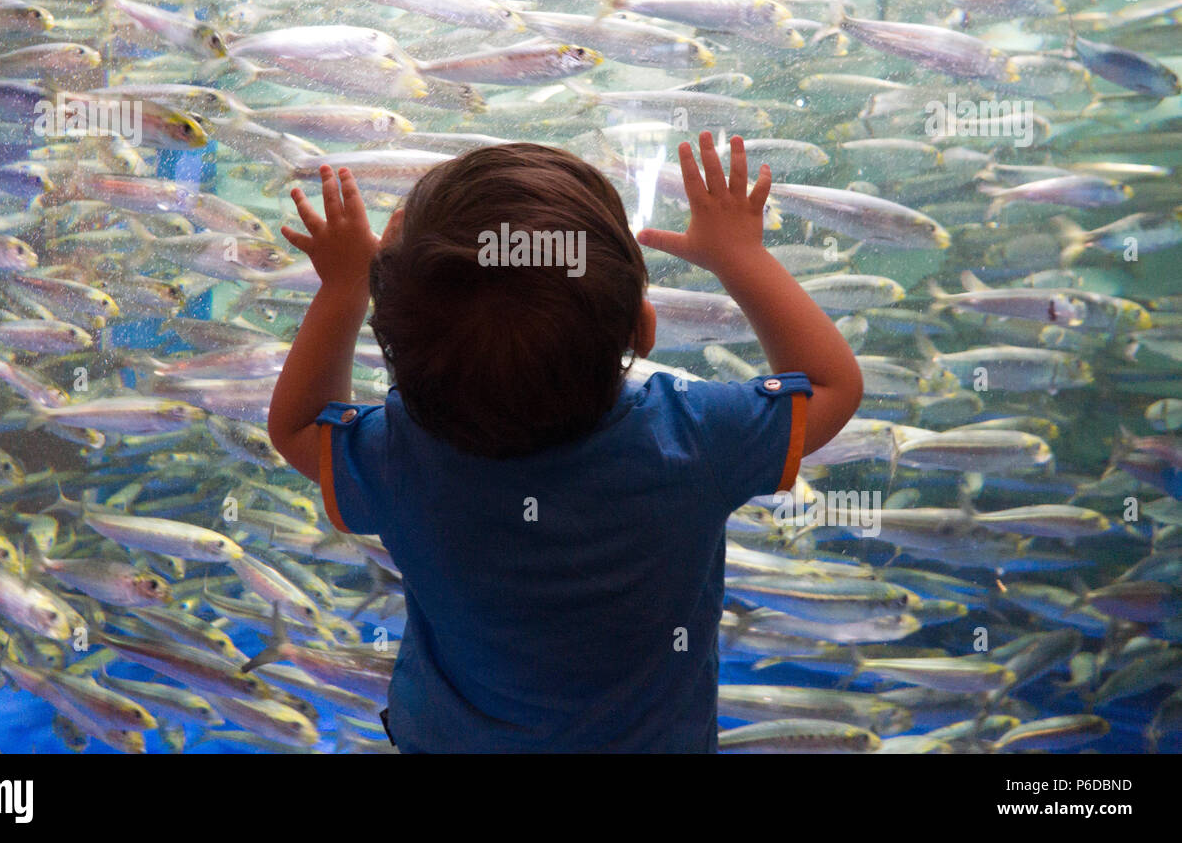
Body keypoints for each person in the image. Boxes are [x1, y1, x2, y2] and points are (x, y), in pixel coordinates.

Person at [268, 131, 863, 753]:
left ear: (390, 342)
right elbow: (833, 384)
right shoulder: (695, 435)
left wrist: (342, 288)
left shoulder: (394, 456)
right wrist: (739, 255)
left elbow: (298, 425)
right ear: (645, 328)